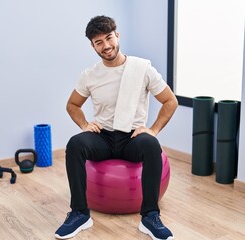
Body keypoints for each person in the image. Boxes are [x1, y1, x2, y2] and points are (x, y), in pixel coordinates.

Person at [55, 15, 178, 240]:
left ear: (117, 35)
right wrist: (84, 124)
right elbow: (72, 105)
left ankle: (150, 216)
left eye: (108, 38)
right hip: (103, 137)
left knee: (152, 144)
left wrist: (153, 130)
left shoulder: (143, 68)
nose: (106, 46)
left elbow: (170, 101)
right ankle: (80, 213)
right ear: (92, 46)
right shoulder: (89, 75)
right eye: (98, 42)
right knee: (75, 144)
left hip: (133, 138)